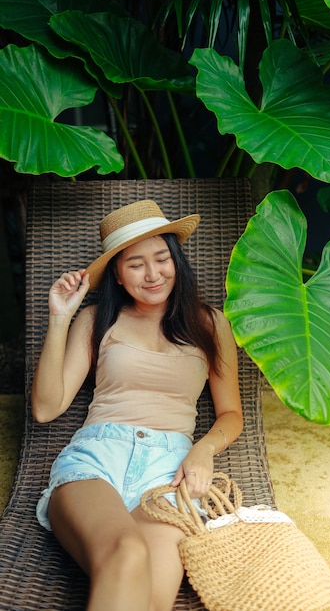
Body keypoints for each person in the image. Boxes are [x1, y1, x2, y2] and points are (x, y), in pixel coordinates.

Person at [31, 199, 243, 611]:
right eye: (136, 264)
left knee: (153, 596)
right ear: (117, 274)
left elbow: (230, 414)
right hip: (97, 459)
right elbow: (45, 407)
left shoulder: (210, 323)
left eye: (162, 258)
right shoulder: (95, 321)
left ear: (177, 260)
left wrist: (203, 449)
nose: (153, 274)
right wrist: (60, 318)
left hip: (170, 471)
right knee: (126, 552)